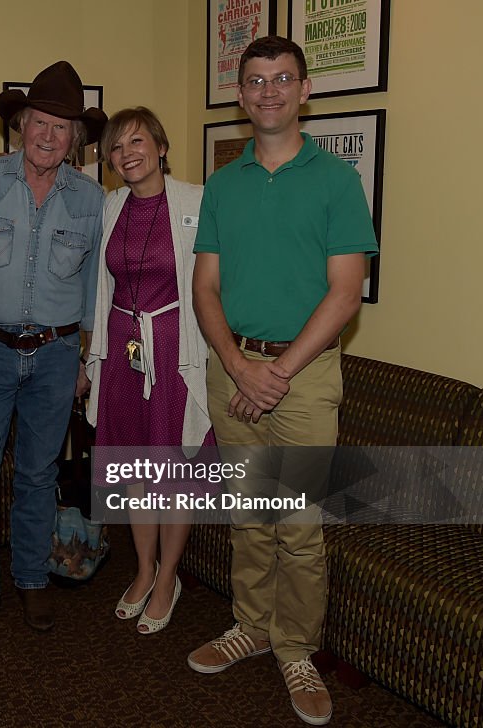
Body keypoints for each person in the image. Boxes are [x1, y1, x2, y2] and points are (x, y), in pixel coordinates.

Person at [187, 37, 378, 727]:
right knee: (248, 514)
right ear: (240, 95)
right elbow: (204, 285)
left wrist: (277, 374)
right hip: (233, 368)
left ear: (304, 92)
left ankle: (296, 648)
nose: (268, 91)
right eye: (255, 80)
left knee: (296, 524)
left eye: (282, 79)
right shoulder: (223, 185)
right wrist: (240, 367)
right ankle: (253, 625)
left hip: (304, 377)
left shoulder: (336, 181)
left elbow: (347, 292)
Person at [0, 61, 106, 646]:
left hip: (58, 356)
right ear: (21, 124)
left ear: (75, 139)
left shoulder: (92, 198)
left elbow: (92, 291)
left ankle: (32, 578)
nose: (49, 136)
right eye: (40, 122)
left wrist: (87, 356)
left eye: (62, 128)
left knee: (38, 476)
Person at [84, 107, 213, 634]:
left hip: (174, 347)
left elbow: (215, 281)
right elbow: (98, 286)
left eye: (137, 141)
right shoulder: (110, 207)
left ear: (160, 146)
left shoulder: (198, 202)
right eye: (116, 147)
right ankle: (143, 570)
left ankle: (168, 579)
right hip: (123, 348)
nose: (127, 153)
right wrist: (91, 353)